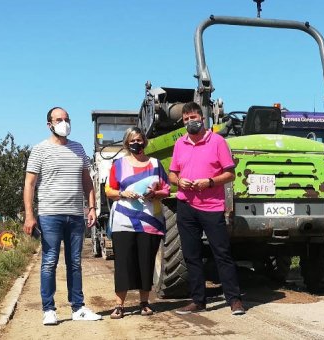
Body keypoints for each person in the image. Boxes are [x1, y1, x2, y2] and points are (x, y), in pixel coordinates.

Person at [23, 106, 102, 325]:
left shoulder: (78, 148)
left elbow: (87, 181)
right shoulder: (40, 149)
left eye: (66, 119)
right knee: (49, 262)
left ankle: (78, 308)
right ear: (49, 124)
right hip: (50, 215)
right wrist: (30, 215)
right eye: (58, 119)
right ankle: (49, 309)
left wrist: (92, 207)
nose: (63, 123)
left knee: (75, 263)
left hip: (76, 215)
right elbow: (29, 184)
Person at [168, 102, 246, 316]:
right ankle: (198, 300)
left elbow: (231, 174)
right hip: (186, 206)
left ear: (202, 118)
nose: (190, 122)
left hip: (211, 207)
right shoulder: (179, 144)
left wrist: (210, 182)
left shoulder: (218, 142)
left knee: (222, 253)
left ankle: (234, 300)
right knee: (191, 255)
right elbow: (172, 174)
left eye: (193, 117)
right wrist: (179, 182)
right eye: (185, 120)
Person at [104, 127, 170, 319]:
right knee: (124, 263)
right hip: (124, 221)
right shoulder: (119, 164)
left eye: (140, 140)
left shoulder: (156, 164)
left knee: (146, 262)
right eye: (132, 140)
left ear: (145, 142)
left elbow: (166, 189)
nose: (136, 143)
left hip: (150, 222)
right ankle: (119, 305)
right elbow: (109, 191)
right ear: (126, 143)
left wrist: (155, 193)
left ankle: (144, 302)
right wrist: (123, 193)